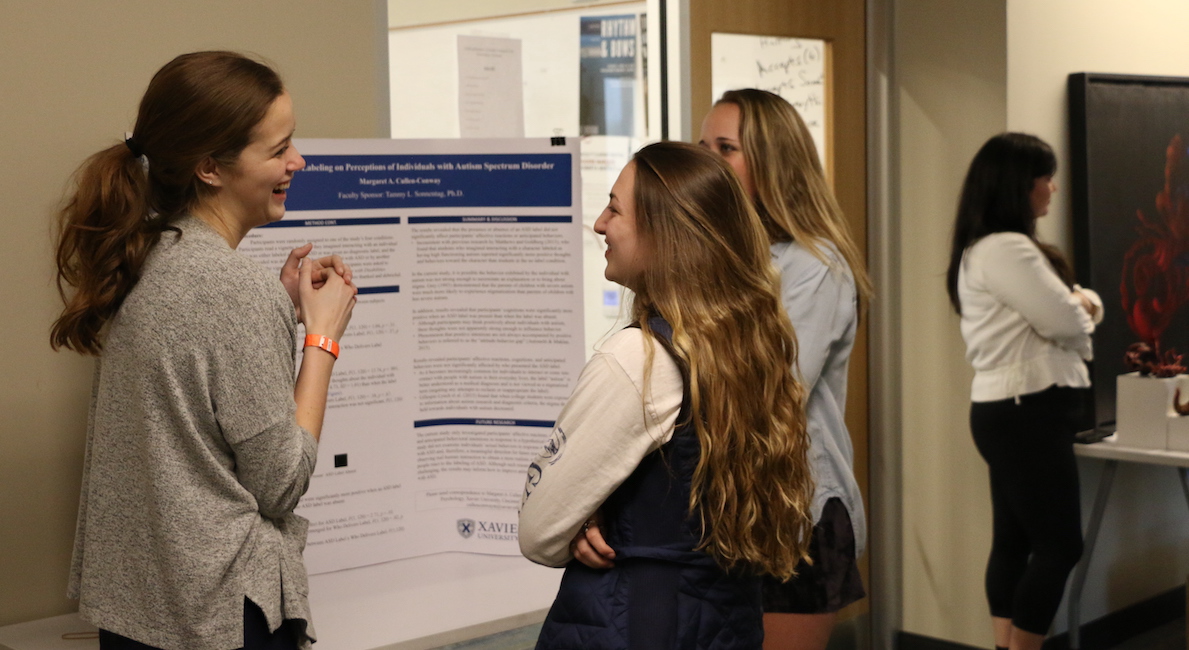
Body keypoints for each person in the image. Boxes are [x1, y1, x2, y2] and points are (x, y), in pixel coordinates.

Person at [50, 51, 358, 650]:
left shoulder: (146, 256)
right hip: (218, 616)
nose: (298, 161)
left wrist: (272, 312)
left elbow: (189, 417)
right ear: (210, 168)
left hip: (142, 608)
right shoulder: (229, 289)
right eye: (278, 150)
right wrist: (321, 340)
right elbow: (282, 483)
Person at [518, 141, 816, 650]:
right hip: (725, 623)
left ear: (665, 236)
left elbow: (540, 531)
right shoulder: (749, 354)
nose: (598, 223)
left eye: (615, 207)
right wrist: (604, 506)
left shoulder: (639, 358)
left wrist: (593, 509)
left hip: (639, 622)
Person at [698, 88, 871, 650]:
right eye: (704, 147)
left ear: (773, 163)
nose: (709, 162)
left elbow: (769, 387)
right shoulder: (719, 256)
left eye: (726, 148)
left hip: (793, 511)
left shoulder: (813, 265)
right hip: (724, 505)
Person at [945, 133, 1102, 650]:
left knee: (1014, 541)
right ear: (1021, 185)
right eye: (1045, 178)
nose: (1053, 188)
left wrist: (1077, 306)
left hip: (1008, 409)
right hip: (1025, 409)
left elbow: (1067, 312)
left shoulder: (982, 249)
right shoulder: (1008, 248)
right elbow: (1069, 324)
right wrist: (1082, 306)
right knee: (1060, 546)